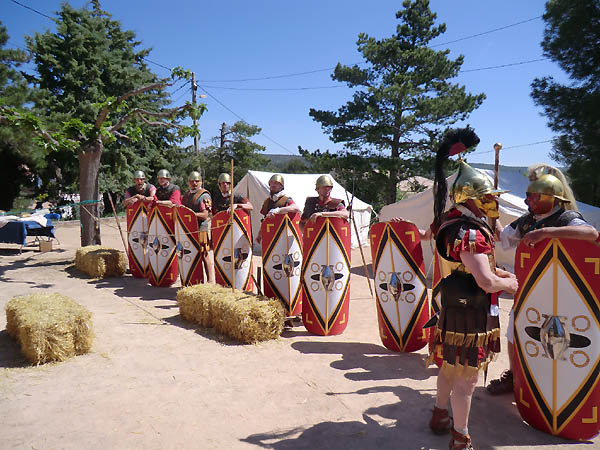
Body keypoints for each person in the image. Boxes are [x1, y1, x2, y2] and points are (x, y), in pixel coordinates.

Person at [427, 127, 519, 450]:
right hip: (468, 314)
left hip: (451, 309)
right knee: (465, 380)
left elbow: (473, 268)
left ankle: (440, 415)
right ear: (474, 200)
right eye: (487, 198)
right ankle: (460, 437)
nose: (492, 204)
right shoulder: (469, 233)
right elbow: (486, 282)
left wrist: (492, 270)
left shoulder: (447, 221)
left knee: (449, 369)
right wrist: (512, 282)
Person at [485, 164, 599, 396]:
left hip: (562, 295)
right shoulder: (528, 220)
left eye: (533, 196)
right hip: (530, 290)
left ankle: (558, 386)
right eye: (527, 196)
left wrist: (548, 232)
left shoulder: (566, 217)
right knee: (515, 333)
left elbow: (591, 234)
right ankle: (515, 376)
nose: (528, 201)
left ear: (551, 197)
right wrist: (492, 213)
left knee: (558, 342)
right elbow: (503, 236)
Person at [181, 171, 214, 283]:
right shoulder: (186, 195)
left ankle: (210, 281)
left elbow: (205, 215)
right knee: (188, 255)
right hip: (188, 230)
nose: (194, 183)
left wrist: (190, 215)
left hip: (200, 230)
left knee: (204, 255)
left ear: (201, 182)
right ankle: (192, 280)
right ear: (188, 182)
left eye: (197, 181)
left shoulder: (204, 195)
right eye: (192, 181)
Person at [255, 174, 301, 244]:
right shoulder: (267, 202)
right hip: (272, 235)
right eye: (272, 183)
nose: (273, 185)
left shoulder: (286, 199)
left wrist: (278, 210)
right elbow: (265, 220)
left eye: (276, 183)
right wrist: (259, 235)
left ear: (281, 186)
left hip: (285, 236)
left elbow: (296, 208)